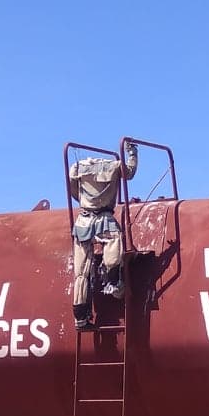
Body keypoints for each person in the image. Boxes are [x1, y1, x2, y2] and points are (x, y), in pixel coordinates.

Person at [68, 140, 138, 330]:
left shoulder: (77, 168)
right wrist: (132, 153)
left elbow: (74, 191)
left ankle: (80, 318)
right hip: (104, 219)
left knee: (80, 273)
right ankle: (112, 282)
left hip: (83, 221)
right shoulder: (114, 167)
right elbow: (130, 172)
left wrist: (85, 201)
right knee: (114, 240)